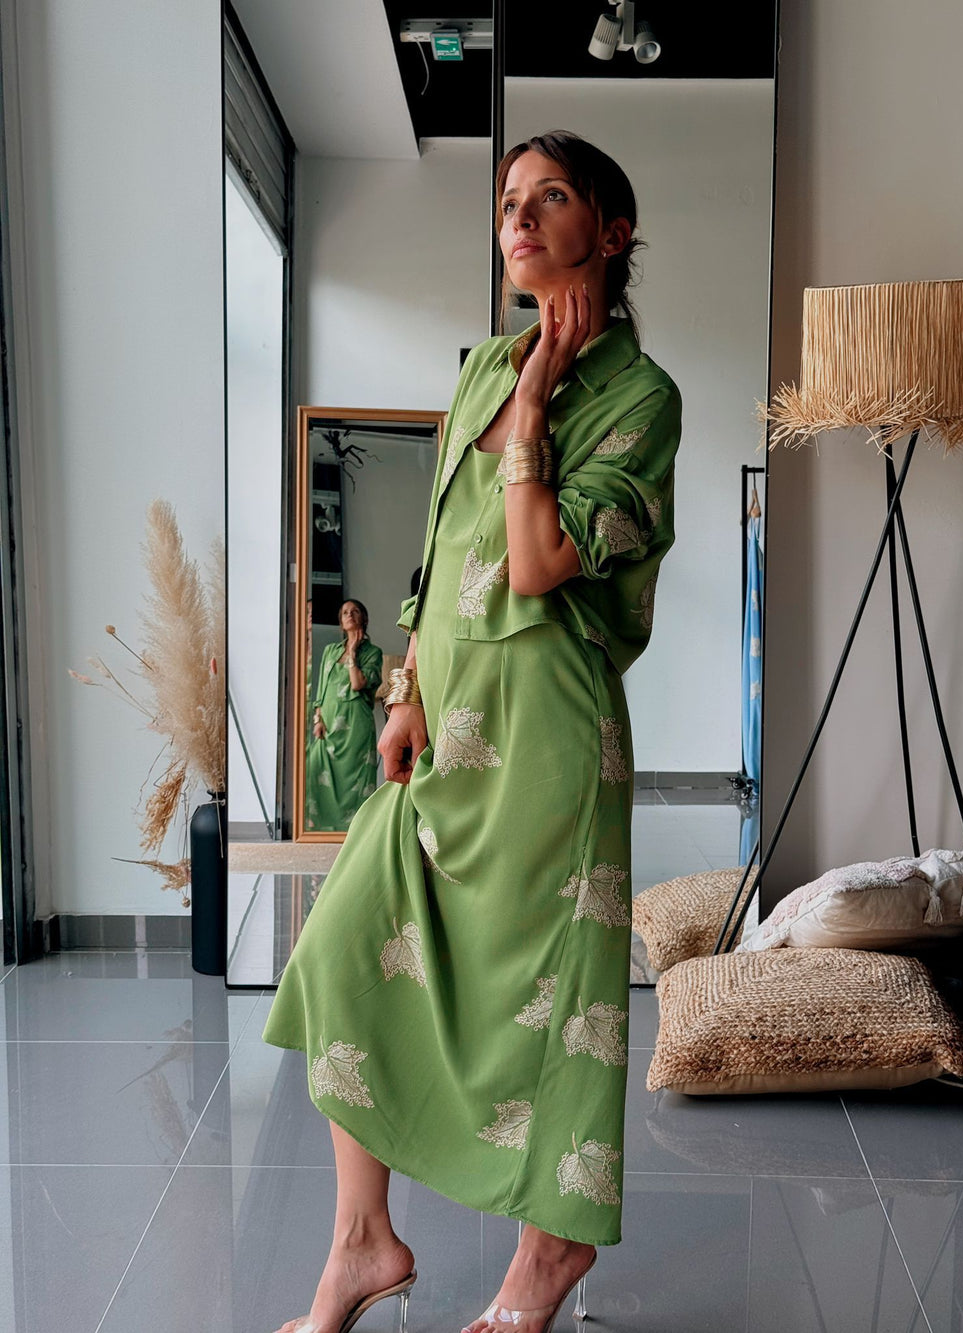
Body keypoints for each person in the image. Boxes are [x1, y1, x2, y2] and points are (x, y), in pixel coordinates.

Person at [266, 129, 681, 1333]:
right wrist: (399, 690)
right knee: (345, 945)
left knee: (554, 997)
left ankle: (544, 1260)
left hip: (550, 737)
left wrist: (544, 403)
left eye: (550, 198)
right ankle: (360, 1240)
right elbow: (444, 546)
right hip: (446, 715)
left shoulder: (640, 399)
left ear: (608, 232)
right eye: (508, 200)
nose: (519, 216)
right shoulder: (481, 369)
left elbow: (544, 558)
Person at [305, 599, 383, 831]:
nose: (349, 615)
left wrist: (353, 653)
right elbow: (322, 687)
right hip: (328, 723)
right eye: (345, 612)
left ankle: (355, 830)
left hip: (356, 727)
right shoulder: (330, 651)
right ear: (340, 622)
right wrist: (317, 718)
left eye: (355, 611)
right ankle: (319, 826)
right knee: (314, 766)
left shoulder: (373, 653)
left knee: (356, 780)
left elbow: (357, 684)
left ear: (364, 620)